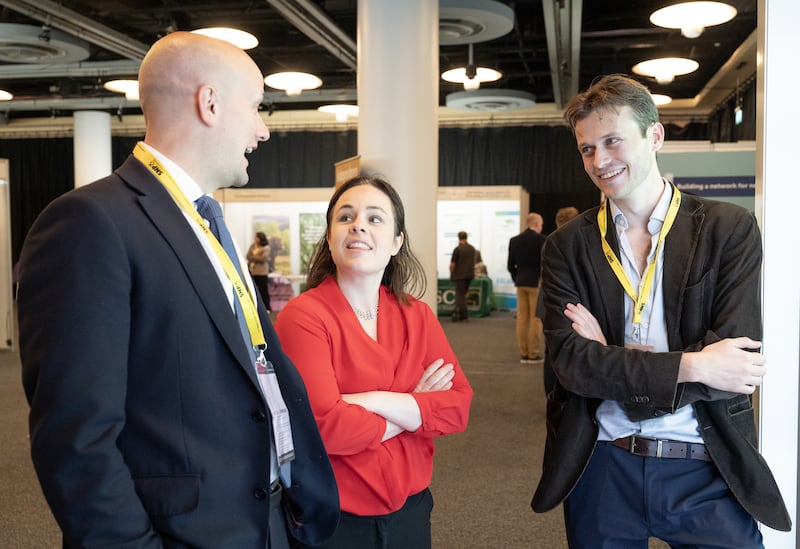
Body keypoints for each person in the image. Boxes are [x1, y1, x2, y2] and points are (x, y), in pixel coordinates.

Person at [17, 32, 338, 549]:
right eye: (256, 108)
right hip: (181, 535)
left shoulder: (208, 222)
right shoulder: (89, 223)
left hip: (267, 521)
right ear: (209, 103)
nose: (262, 130)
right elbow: (75, 438)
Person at [531, 74, 790, 545]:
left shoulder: (726, 229)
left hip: (706, 464)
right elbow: (571, 364)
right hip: (604, 464)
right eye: (587, 148)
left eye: (612, 141)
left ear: (655, 135)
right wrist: (692, 364)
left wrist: (611, 360)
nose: (599, 160)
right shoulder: (567, 246)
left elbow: (736, 358)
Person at [274, 175, 473, 549]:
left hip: (411, 514)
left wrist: (369, 401)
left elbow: (457, 408)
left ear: (397, 241)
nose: (358, 224)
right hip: (334, 520)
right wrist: (415, 404)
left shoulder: (418, 316)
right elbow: (325, 425)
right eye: (345, 217)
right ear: (330, 237)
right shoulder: (304, 317)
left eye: (375, 217)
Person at [538, 206, 579, 396]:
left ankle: (552, 394)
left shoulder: (550, 241)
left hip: (547, 306)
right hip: (572, 308)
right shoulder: (576, 241)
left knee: (551, 351)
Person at [507, 212, 546, 363]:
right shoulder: (543, 240)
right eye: (541, 224)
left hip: (520, 283)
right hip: (536, 284)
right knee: (535, 319)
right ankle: (533, 353)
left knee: (522, 318)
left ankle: (523, 352)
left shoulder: (514, 240)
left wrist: (517, 278)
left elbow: (510, 265)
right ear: (536, 224)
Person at [449, 230, 476, 322]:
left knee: (460, 296)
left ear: (458, 238)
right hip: (469, 275)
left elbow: (453, 264)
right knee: (463, 294)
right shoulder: (472, 249)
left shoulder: (457, 249)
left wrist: (452, 273)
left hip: (459, 275)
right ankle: (460, 313)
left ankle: (463, 314)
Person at [247, 230, 273, 312]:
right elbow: (248, 256)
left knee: (263, 290)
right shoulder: (252, 246)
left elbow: (263, 259)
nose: (255, 238)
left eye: (257, 237)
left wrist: (253, 256)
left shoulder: (266, 247)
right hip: (252, 271)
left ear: (261, 238)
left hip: (261, 273)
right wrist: (256, 256)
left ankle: (267, 308)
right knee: (252, 290)